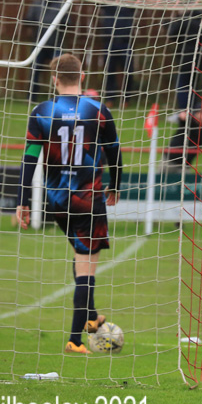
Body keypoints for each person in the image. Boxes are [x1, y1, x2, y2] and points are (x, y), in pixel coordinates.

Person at [15, 53, 123, 354]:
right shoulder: (98, 111)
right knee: (87, 269)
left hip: (56, 200)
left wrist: (23, 201)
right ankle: (76, 340)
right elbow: (114, 152)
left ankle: (91, 317)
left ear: (54, 79)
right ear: (82, 76)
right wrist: (116, 185)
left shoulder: (42, 111)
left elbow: (29, 159)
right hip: (88, 200)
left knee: (80, 258)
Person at [166, 11, 202, 167]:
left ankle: (185, 113)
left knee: (185, 89)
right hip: (198, 58)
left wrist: (175, 20)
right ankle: (187, 113)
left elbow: (171, 33)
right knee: (195, 88)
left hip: (187, 59)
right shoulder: (199, 19)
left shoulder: (186, 19)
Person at [25, 0, 68, 103]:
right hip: (38, 44)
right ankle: (31, 97)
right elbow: (29, 20)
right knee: (34, 70)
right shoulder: (37, 4)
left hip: (56, 44)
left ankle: (62, 97)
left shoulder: (62, 5)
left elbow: (67, 23)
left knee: (60, 71)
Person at [97, 5, 138, 107]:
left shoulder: (129, 6)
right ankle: (110, 98)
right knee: (109, 71)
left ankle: (126, 99)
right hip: (109, 43)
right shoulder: (108, 5)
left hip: (125, 42)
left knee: (129, 71)